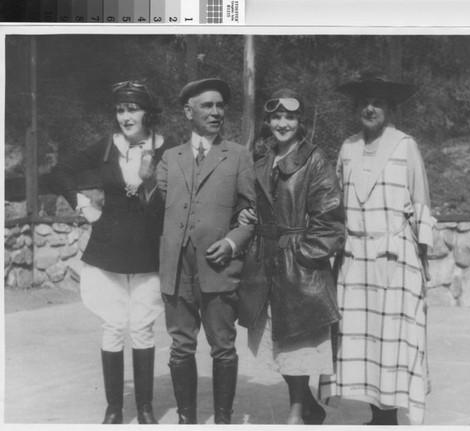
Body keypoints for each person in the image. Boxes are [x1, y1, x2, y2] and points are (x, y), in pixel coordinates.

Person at [319, 74, 434, 425]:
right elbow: (334, 202)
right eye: (364, 103)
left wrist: (423, 260)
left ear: (389, 108)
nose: (370, 108)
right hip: (356, 259)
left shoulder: (405, 145)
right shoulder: (347, 148)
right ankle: (375, 415)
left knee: (393, 338)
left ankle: (389, 418)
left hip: (394, 258)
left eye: (378, 103)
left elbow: (421, 202)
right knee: (362, 338)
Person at [141, 78, 256, 424]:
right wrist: (144, 178)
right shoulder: (170, 157)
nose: (216, 112)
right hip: (176, 267)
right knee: (180, 346)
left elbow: (251, 214)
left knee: (222, 345)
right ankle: (186, 420)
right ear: (188, 111)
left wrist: (233, 241)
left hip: (219, 266)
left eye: (220, 105)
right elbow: (151, 208)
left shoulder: (237, 155)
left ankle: (222, 420)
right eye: (207, 106)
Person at [52, 80, 166, 424]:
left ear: (148, 112)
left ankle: (144, 408)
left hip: (149, 249)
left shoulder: (168, 149)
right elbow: (62, 171)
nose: (126, 116)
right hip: (109, 248)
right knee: (113, 326)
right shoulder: (106, 146)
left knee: (143, 328)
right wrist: (85, 208)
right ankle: (115, 408)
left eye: (133, 108)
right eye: (120, 109)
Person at [237, 89, 346, 425]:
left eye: (291, 117)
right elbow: (249, 206)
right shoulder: (259, 164)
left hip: (298, 268)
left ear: (300, 123)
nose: (283, 123)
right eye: (277, 117)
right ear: (268, 122)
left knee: (298, 346)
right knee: (274, 344)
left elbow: (331, 222)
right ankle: (309, 406)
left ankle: (296, 414)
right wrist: (245, 215)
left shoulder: (315, 160)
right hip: (264, 265)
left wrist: (301, 253)